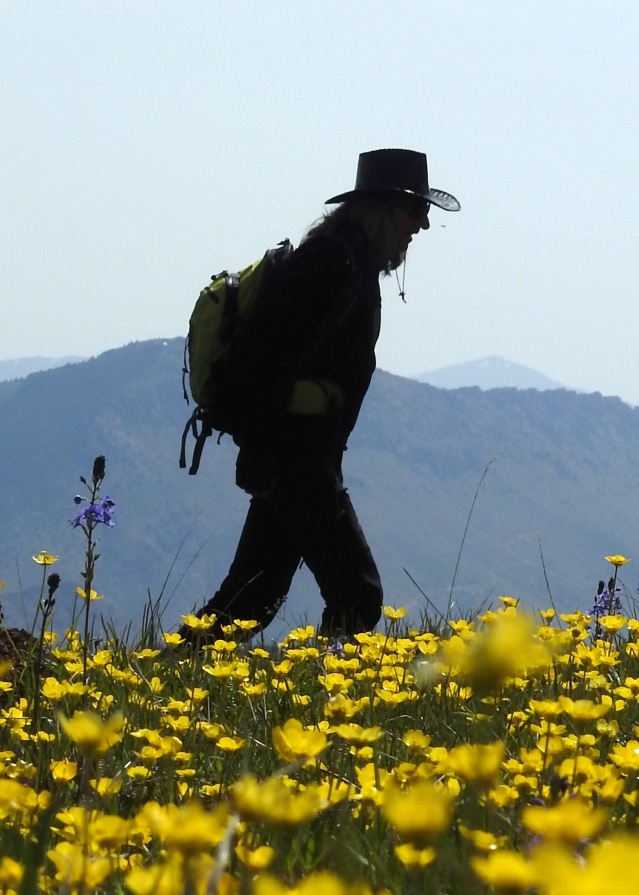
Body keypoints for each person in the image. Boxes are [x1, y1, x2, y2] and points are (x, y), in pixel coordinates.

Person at [188, 149, 459, 639]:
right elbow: (258, 359)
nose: (420, 225)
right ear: (380, 209)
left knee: (250, 599)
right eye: (413, 211)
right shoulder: (330, 264)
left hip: (300, 459)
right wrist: (263, 456)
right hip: (295, 463)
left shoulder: (346, 262)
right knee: (357, 595)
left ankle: (171, 676)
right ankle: (335, 703)